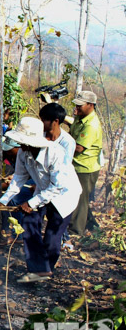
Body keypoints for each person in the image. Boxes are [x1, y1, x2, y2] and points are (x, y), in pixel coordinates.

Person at [0, 117, 82, 283]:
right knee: (29, 223)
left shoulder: (55, 153)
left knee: (52, 235)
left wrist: (31, 203)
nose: (22, 146)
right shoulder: (23, 154)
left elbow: (57, 187)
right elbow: (18, 178)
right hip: (43, 192)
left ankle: (45, 272)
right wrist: (3, 200)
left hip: (65, 195)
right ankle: (38, 270)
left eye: (24, 142)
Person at [39, 103, 77, 250]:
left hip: (60, 189)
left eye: (44, 120)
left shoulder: (68, 142)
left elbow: (63, 171)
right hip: (42, 185)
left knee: (54, 228)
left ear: (55, 121)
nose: (42, 123)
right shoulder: (40, 137)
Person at [69, 91, 103, 235]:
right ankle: (92, 225)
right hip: (76, 165)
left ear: (90, 105)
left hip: (85, 168)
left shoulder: (91, 125)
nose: (77, 108)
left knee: (81, 200)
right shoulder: (80, 117)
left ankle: (77, 230)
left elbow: (78, 147)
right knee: (78, 198)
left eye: (80, 105)